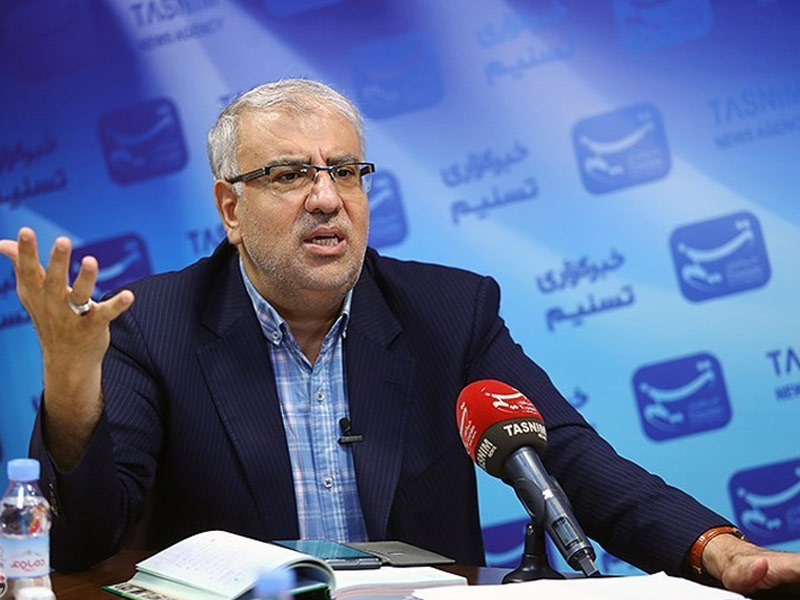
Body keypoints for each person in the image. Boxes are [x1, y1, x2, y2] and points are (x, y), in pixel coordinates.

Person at [1, 79, 799, 594]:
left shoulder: (447, 310)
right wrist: (71, 382)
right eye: (289, 175)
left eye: (346, 171)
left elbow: (570, 458)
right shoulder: (153, 323)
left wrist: (715, 550)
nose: (326, 198)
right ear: (231, 209)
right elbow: (81, 546)